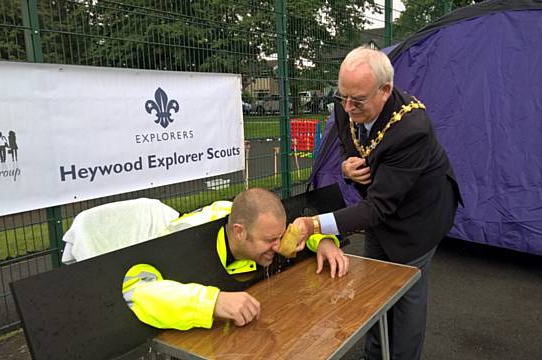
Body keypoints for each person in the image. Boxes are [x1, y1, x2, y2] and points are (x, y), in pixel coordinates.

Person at [291, 47, 461, 360]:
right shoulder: (348, 103)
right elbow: (348, 145)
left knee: (405, 295)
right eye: (343, 96)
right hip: (380, 208)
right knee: (374, 287)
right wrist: (345, 166)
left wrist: (313, 224)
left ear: (384, 91)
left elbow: (376, 209)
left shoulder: (413, 130)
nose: (347, 107)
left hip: (419, 217)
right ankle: (375, 354)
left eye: (357, 100)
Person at [123, 188, 349, 331]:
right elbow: (132, 289)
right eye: (271, 240)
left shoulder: (260, 222)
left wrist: (322, 241)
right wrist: (212, 302)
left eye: (280, 237)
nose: (279, 246)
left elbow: (297, 226)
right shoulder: (184, 237)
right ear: (239, 232)